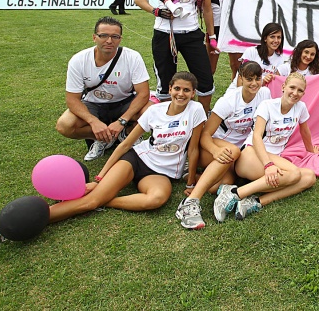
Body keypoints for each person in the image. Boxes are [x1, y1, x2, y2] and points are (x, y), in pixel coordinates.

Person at [50, 72, 206, 226]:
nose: (181, 94)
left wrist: (190, 183)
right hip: (136, 159)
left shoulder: (196, 110)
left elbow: (193, 150)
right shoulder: (154, 111)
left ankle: (105, 200)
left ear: (193, 93)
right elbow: (125, 144)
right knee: (91, 202)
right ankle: (42, 216)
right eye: (177, 88)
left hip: (162, 172)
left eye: (186, 90)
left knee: (156, 199)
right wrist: (99, 178)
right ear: (170, 89)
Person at [175, 62, 272, 228]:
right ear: (240, 78)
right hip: (213, 145)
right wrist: (215, 151)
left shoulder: (265, 94)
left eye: (258, 78)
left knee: (222, 184)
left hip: (239, 151)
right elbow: (205, 134)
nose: (254, 83)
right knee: (232, 151)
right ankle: (190, 202)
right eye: (249, 79)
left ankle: (189, 174)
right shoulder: (228, 101)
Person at [212, 73, 319, 222]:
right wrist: (268, 165)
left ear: (303, 93)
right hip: (250, 154)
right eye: (292, 87)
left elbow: (305, 130)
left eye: (300, 90)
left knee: (309, 178)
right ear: (283, 87)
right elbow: (256, 136)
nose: (295, 93)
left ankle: (255, 202)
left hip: (273, 160)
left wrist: (310, 150)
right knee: (294, 174)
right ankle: (234, 193)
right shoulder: (267, 105)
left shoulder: (301, 107)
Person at [134, 0, 217, 114]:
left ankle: (203, 116)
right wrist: (156, 11)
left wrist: (212, 36)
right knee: (166, 79)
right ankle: (169, 117)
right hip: (165, 33)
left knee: (205, 78)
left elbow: (207, 9)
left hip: (191, 33)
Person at [56, 16, 150, 161]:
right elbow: (72, 100)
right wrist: (93, 121)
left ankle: (128, 133)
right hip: (93, 104)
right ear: (94, 37)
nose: (109, 41)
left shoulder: (132, 57)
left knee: (152, 111)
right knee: (64, 125)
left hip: (124, 102)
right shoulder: (79, 60)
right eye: (103, 35)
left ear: (120, 39)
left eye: (115, 36)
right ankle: (102, 138)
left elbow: (143, 93)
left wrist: (122, 121)